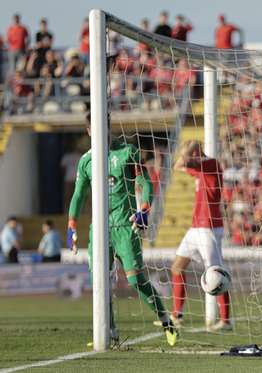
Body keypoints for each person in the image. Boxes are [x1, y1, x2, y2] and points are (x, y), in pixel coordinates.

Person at [67, 112, 177, 346]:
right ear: (88, 131)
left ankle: (166, 321)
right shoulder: (86, 161)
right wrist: (72, 226)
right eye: (94, 128)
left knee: (137, 281)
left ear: (109, 127)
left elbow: (144, 181)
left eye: (104, 127)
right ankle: (109, 332)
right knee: (99, 282)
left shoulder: (127, 152)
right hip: (99, 230)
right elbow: (78, 195)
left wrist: (144, 210)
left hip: (125, 226)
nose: (100, 132)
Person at [167, 140, 231, 332]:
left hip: (209, 228)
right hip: (195, 228)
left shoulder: (211, 164)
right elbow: (178, 165)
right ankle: (176, 315)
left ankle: (226, 320)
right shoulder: (200, 169)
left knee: (216, 273)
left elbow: (185, 160)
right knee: (177, 267)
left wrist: (193, 144)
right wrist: (192, 150)